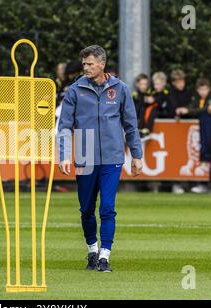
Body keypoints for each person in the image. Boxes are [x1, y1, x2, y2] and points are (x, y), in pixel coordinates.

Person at [57, 45, 143, 272]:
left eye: (90, 64)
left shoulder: (120, 88)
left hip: (113, 157)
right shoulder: (75, 90)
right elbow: (64, 126)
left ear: (102, 64)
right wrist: (64, 155)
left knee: (107, 207)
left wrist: (137, 155)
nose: (85, 67)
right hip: (84, 158)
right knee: (86, 209)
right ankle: (92, 250)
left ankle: (105, 256)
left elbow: (131, 125)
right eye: (84, 64)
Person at [186, 78, 211, 193]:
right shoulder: (196, 98)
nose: (203, 92)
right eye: (201, 89)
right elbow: (192, 108)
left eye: (205, 89)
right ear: (197, 90)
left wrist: (191, 111)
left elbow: (203, 110)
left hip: (210, 128)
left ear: (209, 89)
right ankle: (201, 183)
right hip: (202, 129)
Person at [132, 73, 155, 137]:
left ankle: (146, 129)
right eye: (142, 84)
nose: (144, 86)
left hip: (144, 124)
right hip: (135, 125)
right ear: (137, 84)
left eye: (145, 84)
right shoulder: (134, 95)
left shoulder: (150, 94)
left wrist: (152, 100)